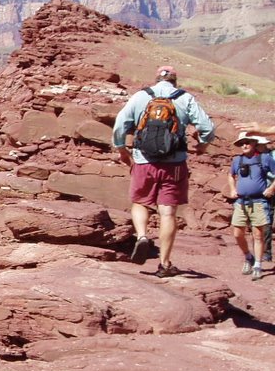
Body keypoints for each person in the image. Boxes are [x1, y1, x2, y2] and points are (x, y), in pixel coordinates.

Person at [112, 65, 215, 277]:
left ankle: (142, 236)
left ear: (156, 79)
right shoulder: (185, 98)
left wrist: (122, 149)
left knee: (140, 202)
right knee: (168, 212)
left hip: (143, 161)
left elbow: (120, 124)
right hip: (174, 164)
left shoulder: (141, 96)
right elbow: (208, 127)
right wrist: (203, 145)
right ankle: (165, 264)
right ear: (175, 81)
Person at [228, 134, 275, 280]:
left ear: (254, 143)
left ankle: (258, 265)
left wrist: (272, 189)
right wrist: (232, 189)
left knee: (258, 235)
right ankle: (248, 256)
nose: (244, 145)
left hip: (259, 201)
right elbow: (231, 175)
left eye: (247, 142)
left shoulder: (265, 158)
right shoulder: (237, 160)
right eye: (241, 143)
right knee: (237, 233)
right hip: (241, 202)